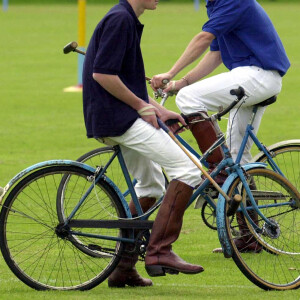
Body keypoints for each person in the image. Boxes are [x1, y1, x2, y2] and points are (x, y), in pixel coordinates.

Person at [151, 0, 290, 251]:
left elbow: (203, 38)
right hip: (254, 76)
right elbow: (215, 54)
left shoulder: (233, 1)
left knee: (188, 99)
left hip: (258, 74)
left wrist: (170, 73)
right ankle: (250, 236)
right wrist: (180, 82)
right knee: (238, 159)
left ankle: (219, 171)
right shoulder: (216, 5)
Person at [82, 0, 204, 288]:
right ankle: (160, 252)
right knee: (188, 171)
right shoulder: (120, 20)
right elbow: (102, 74)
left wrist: (158, 109)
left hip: (115, 116)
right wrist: (141, 106)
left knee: (151, 185)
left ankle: (122, 268)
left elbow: (125, 80)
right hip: (117, 118)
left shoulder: (127, 19)